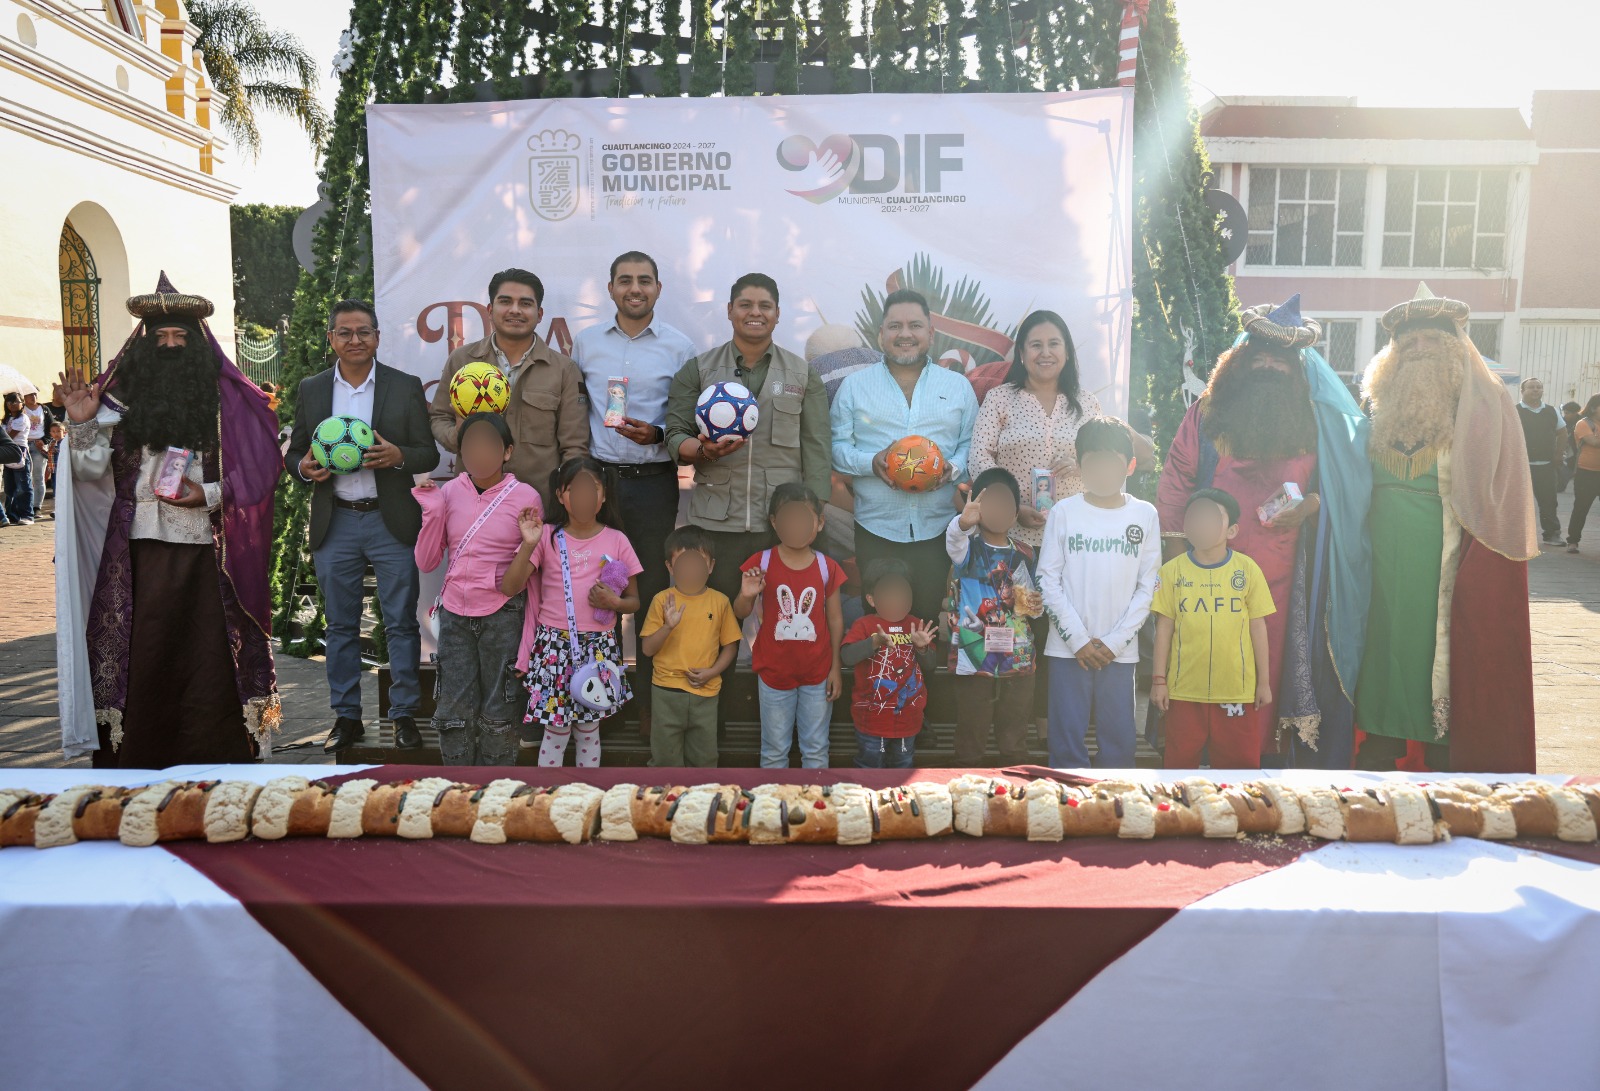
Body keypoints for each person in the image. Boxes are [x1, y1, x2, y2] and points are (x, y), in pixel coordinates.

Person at [54, 275, 282, 766]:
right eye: (161, 339)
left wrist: (211, 493)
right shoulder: (115, 399)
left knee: (208, 658)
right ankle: (138, 758)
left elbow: (262, 473)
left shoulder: (230, 400)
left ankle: (219, 756)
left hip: (207, 551)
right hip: (139, 551)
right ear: (145, 347)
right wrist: (82, 423)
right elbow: (90, 471)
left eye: (181, 336)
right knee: (146, 653)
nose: (173, 346)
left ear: (199, 342)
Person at [1156, 294, 1370, 768]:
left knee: (1269, 661)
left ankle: (1265, 756)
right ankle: (1203, 754)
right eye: (1260, 353)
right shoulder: (1209, 414)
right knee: (1204, 657)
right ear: (1242, 357)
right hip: (1205, 569)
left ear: (1297, 367)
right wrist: (1175, 564)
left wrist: (1312, 504)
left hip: (1287, 574)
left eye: (1282, 358)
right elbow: (1175, 484)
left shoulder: (1317, 421)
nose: (1270, 364)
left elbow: (1345, 487)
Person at [1355, 285, 1538, 773]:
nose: (1417, 350)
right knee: (1382, 640)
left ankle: (1441, 741)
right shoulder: (1378, 407)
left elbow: (1502, 487)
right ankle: (1381, 736)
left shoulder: (1485, 403)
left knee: (1439, 645)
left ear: (1455, 346)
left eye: (1430, 340)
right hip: (1379, 554)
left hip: (1450, 553)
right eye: (1407, 342)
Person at [287, 299, 440, 754]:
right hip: (336, 522)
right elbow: (294, 451)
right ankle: (346, 717)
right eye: (345, 332)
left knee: (400, 623)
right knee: (340, 625)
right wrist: (304, 468)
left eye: (364, 332)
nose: (355, 340)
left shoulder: (403, 385)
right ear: (331, 338)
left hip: (389, 520)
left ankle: (404, 715)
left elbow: (428, 453)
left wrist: (399, 457)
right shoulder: (313, 389)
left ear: (377, 336)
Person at [571, 251, 697, 737]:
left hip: (652, 484)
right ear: (611, 289)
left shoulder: (680, 348)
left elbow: (686, 419)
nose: (635, 288)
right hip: (597, 484)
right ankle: (593, 699)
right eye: (625, 280)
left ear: (659, 289)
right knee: (593, 595)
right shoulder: (584, 344)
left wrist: (661, 433)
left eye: (645, 280)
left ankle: (645, 706)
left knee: (645, 597)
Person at [664, 272, 831, 603]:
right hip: (716, 523)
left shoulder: (802, 374)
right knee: (715, 617)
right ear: (729, 310)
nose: (755, 312)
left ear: (778, 314)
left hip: (782, 523)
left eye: (765, 306)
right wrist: (704, 451)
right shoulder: (699, 370)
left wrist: (812, 515)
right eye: (745, 305)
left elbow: (817, 448)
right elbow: (674, 435)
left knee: (786, 621)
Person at [830, 288, 979, 624]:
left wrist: (949, 468)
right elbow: (837, 450)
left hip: (937, 530)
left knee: (925, 626)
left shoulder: (958, 387)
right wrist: (871, 462)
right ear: (881, 334)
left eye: (915, 325)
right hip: (876, 529)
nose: (905, 334)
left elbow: (971, 446)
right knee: (878, 629)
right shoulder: (855, 386)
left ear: (930, 333)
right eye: (895, 326)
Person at [413, 413, 542, 766]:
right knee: (452, 710)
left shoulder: (525, 497)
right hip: (455, 615)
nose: (479, 451)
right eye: (471, 444)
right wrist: (432, 512)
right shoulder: (450, 491)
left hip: (503, 615)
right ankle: (457, 793)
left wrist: (530, 544)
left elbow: (518, 581)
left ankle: (495, 794)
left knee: (499, 711)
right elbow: (426, 562)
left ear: (507, 452)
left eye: (489, 443)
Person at [1037, 419, 1161, 768]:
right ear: (1079, 465)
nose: (1103, 471)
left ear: (1130, 465)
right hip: (1067, 651)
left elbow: (1148, 585)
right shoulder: (1063, 512)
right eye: (1094, 461)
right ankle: (1070, 807)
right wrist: (1077, 639)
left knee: (1119, 742)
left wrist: (1115, 641)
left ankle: (1117, 809)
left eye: (1112, 462)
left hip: (1118, 653)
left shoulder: (1145, 514)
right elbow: (1048, 579)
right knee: (1066, 743)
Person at [505, 455, 642, 768]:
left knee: (589, 730)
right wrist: (528, 544)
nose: (582, 496)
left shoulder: (617, 539)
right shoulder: (547, 537)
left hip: (599, 648)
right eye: (574, 489)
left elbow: (634, 600)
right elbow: (510, 586)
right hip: (554, 647)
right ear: (560, 495)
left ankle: (585, 797)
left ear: (603, 494)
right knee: (555, 731)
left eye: (591, 488)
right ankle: (549, 801)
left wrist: (616, 604)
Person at [429, 268, 588, 509]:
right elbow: (438, 416)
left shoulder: (563, 369)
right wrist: (458, 437)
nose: (515, 310)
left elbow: (574, 447)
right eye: (505, 301)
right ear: (490, 310)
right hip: (472, 503)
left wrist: (566, 504)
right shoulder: (462, 360)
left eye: (525, 303)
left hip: (539, 507)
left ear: (540, 313)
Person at [1150, 488, 1276, 769]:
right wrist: (1159, 680)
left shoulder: (1248, 570)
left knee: (1240, 772)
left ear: (1231, 530)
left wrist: (1263, 682)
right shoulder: (1172, 572)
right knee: (1178, 768)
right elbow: (1164, 628)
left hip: (1236, 690)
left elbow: (1258, 627)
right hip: (1183, 690)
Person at [733, 482, 845, 768]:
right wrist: (747, 594)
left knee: (816, 750)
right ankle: (771, 811)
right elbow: (740, 611)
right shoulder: (762, 562)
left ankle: (816, 810)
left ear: (819, 523)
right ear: (774, 522)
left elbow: (834, 619)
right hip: (773, 673)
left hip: (818, 674)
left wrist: (835, 668)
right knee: (773, 752)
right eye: (788, 518)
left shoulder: (826, 567)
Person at [944, 467, 1043, 767]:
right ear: (977, 507)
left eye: (1006, 505)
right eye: (991, 503)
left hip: (1018, 653)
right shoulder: (967, 549)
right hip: (974, 654)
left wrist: (1034, 605)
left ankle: (1016, 775)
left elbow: (1028, 604)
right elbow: (953, 540)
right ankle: (966, 775)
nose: (999, 510)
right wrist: (963, 522)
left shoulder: (1024, 552)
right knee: (972, 723)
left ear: (1015, 515)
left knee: (1015, 720)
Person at [638, 524, 743, 768]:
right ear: (670, 567)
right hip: (666, 691)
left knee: (704, 759)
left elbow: (730, 646)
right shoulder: (662, 600)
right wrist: (667, 627)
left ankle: (701, 802)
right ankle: (665, 802)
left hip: (705, 693)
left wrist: (713, 671)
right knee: (665, 759)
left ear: (711, 566)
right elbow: (647, 649)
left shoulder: (720, 601)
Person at [841, 559, 938, 768]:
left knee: (903, 764)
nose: (896, 600)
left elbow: (930, 665)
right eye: (889, 594)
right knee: (870, 766)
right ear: (872, 599)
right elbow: (847, 657)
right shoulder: (865, 625)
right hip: (872, 720)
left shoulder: (915, 624)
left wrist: (922, 648)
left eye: (903, 594)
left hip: (908, 721)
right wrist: (874, 641)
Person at [1516, 377, 1566, 548]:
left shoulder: (1551, 411)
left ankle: (1551, 534)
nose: (1536, 390)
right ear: (1522, 391)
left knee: (1549, 501)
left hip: (1546, 466)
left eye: (1539, 387)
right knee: (1518, 502)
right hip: (1520, 467)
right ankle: (1517, 536)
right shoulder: (1514, 411)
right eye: (1531, 387)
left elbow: (1562, 432)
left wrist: (1559, 454)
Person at [1566, 394, 1600, 552]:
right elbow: (1593, 442)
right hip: (1586, 473)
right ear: (1593, 408)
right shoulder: (1583, 423)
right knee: (1581, 508)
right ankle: (1573, 541)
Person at [1, 395, 30, 526]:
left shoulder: (22, 418)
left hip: (19, 451)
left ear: (22, 403)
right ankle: (11, 515)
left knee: (23, 486)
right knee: (9, 488)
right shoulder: (6, 419)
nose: (12, 404)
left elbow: (10, 436)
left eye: (15, 401)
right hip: (5, 454)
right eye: (9, 402)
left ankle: (27, 514)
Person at [21, 391, 48, 518]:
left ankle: (37, 506)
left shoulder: (44, 409)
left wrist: (44, 441)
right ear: (23, 397)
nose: (33, 397)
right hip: (24, 445)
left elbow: (51, 426)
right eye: (29, 394)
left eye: (35, 394)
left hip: (39, 447)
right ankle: (25, 505)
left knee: (38, 477)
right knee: (25, 477)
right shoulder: (21, 409)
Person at [1560, 400, 1582, 492]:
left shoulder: (1582, 421)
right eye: (1564, 413)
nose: (1565, 415)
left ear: (1575, 413)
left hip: (1580, 451)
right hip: (1570, 451)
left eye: (1567, 413)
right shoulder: (1564, 421)